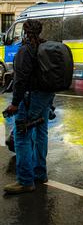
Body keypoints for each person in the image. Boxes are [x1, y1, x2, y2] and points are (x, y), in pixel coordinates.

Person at [3, 20, 55, 194]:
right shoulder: (44, 47)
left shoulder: (25, 50)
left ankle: (25, 180)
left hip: (30, 98)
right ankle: (40, 173)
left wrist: (15, 103)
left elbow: (20, 80)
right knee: (41, 132)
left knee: (21, 135)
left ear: (25, 33)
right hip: (46, 96)